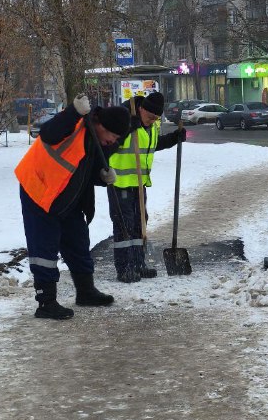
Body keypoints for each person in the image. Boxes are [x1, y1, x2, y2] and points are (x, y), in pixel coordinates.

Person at [15, 93, 130, 319]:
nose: (113, 142)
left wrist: (103, 176)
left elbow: (88, 170)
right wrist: (73, 111)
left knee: (78, 242)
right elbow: (48, 133)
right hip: (40, 190)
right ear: (100, 124)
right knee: (44, 248)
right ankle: (46, 302)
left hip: (68, 197)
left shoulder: (100, 141)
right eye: (112, 136)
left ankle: (86, 292)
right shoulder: (75, 124)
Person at [107, 91, 186, 282]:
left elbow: (153, 145)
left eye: (156, 118)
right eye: (150, 117)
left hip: (139, 185)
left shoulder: (150, 126)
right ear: (141, 109)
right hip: (120, 183)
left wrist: (175, 138)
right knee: (124, 226)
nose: (152, 121)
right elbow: (108, 145)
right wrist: (126, 130)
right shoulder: (124, 121)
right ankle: (124, 268)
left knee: (139, 224)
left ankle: (138, 264)